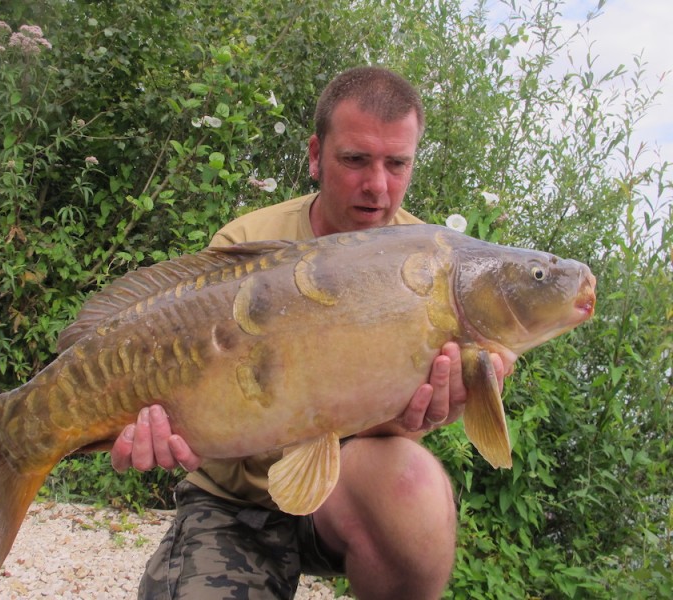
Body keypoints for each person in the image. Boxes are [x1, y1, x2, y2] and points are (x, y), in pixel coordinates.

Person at [111, 66, 510, 600]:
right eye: (355, 160)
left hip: (342, 487)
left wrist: (418, 417)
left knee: (414, 483)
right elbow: (193, 397)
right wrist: (148, 427)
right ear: (315, 155)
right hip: (236, 498)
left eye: (397, 164)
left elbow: (389, 423)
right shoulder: (249, 242)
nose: (377, 185)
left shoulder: (436, 266)